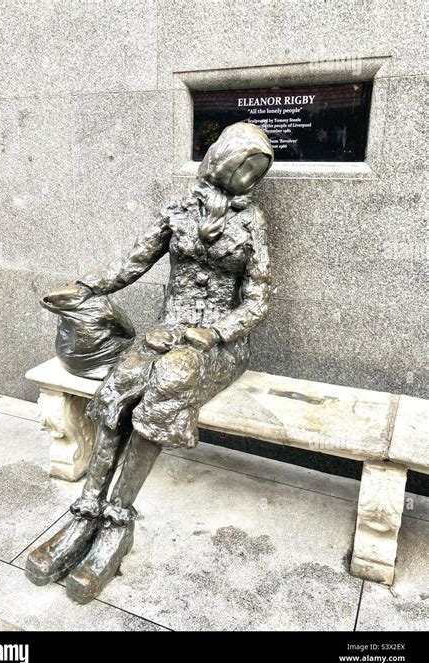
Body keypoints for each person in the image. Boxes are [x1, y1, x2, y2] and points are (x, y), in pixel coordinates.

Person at [26, 122, 274, 603]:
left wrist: (218, 331)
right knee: (123, 383)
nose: (247, 179)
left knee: (167, 384)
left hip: (218, 344)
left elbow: (260, 298)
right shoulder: (179, 211)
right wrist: (86, 287)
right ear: (221, 159)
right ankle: (85, 512)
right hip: (168, 329)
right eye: (243, 165)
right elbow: (131, 261)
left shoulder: (252, 224)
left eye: (256, 172)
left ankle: (117, 522)